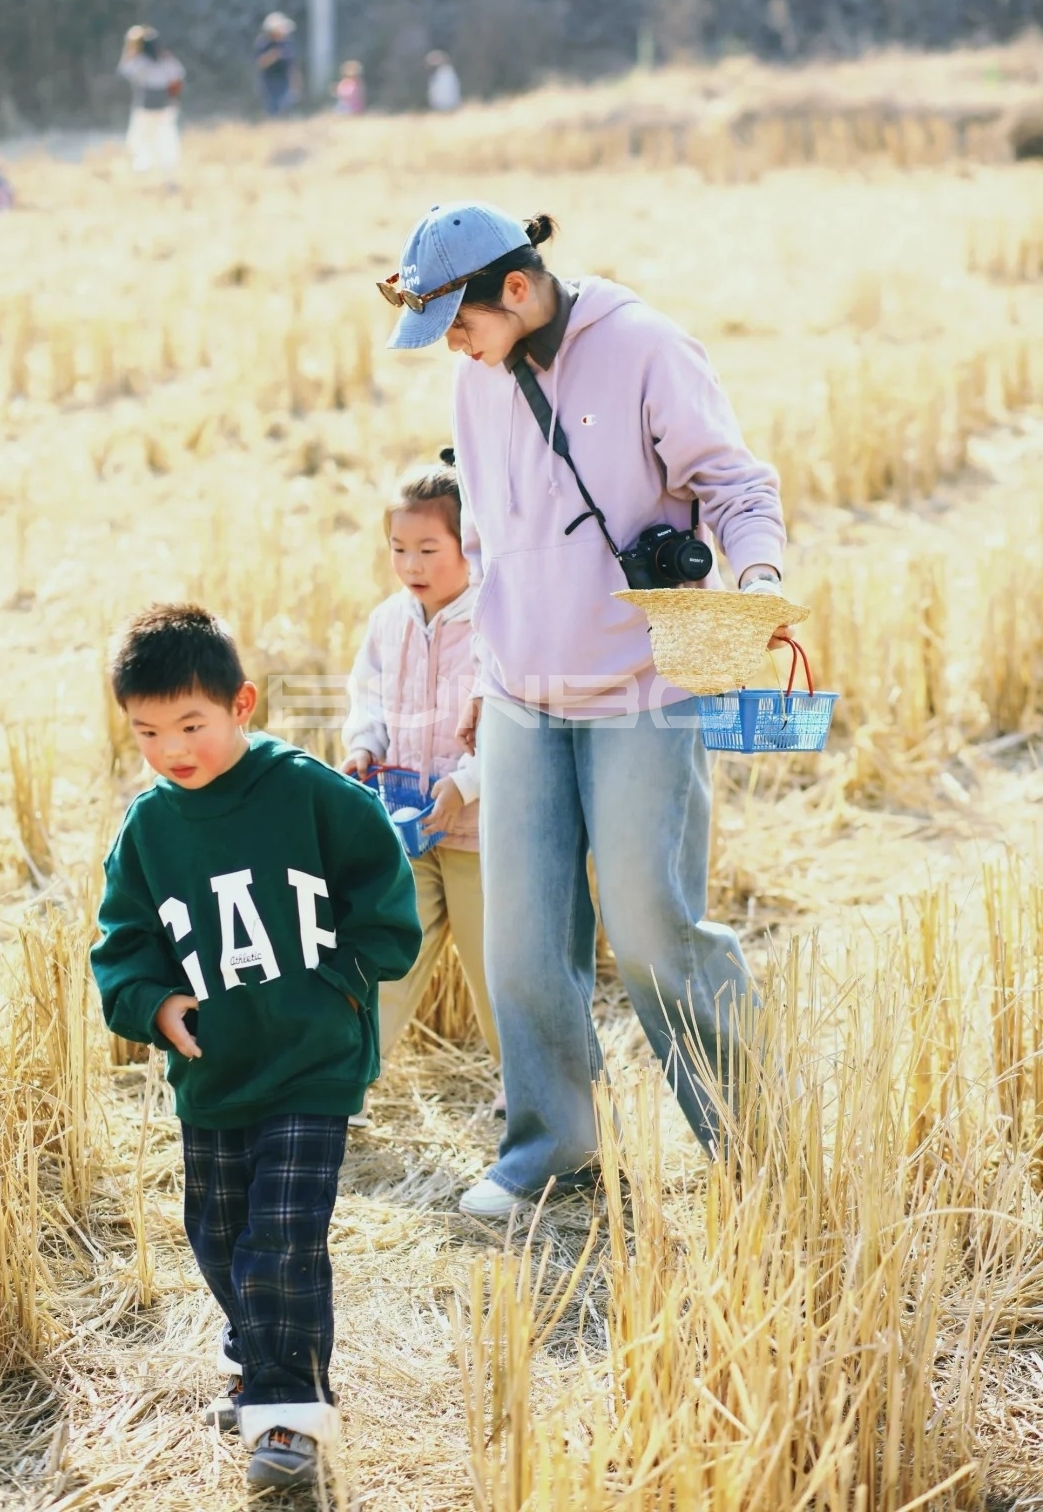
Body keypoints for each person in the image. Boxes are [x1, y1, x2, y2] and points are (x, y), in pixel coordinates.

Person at [376, 202, 788, 1219]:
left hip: (644, 690)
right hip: (519, 693)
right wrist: (479, 678)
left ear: (515, 289)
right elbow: (500, 548)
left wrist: (760, 576)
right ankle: (548, 1148)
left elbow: (734, 483)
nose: (455, 352)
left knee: (652, 929)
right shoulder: (476, 384)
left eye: (460, 324)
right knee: (522, 936)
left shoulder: (647, 348)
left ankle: (754, 1142)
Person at [90, 604, 420, 1487]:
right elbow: (122, 946)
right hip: (215, 1069)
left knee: (283, 1232)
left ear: (243, 705)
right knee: (220, 1232)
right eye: (147, 731)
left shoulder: (310, 793)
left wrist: (347, 983)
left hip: (312, 1058)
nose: (171, 749)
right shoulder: (148, 829)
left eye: (190, 724)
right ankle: (259, 1356)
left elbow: (381, 886)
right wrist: (156, 1008)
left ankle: (288, 1414)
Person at [340, 459, 501, 1106]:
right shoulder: (389, 622)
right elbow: (368, 696)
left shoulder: (495, 621)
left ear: (469, 546)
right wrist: (363, 745)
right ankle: (343, 1076)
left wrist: (465, 784)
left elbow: (513, 722)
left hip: (479, 834)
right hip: (407, 823)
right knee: (390, 956)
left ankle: (529, 1092)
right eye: (399, 549)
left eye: (429, 549)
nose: (411, 563)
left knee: (496, 968)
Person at [117, 26, 185, 174]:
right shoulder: (167, 61)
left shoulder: (139, 61)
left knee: (144, 138)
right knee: (163, 136)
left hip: (147, 106)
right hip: (161, 105)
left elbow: (125, 68)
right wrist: (174, 98)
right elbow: (177, 78)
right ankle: (161, 166)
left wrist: (131, 46)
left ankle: (152, 166)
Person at [254, 12, 299, 117]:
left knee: (285, 108)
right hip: (269, 83)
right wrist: (273, 55)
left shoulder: (286, 44)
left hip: (284, 82)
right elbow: (260, 63)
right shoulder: (264, 44)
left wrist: (296, 83)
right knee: (272, 109)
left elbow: (292, 65)